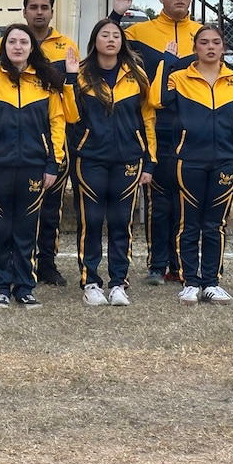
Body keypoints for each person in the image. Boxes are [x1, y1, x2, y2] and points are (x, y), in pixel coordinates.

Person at [0, 0, 78, 287]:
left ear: (51, 11)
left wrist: (54, 159)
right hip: (2, 159)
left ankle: (43, 267)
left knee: (46, 215)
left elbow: (65, 116)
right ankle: (3, 280)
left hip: (42, 155)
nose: (38, 11)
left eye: (44, 7)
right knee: (3, 223)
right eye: (32, 6)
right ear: (24, 11)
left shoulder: (65, 48)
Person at [0, 25, 65, 310]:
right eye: (12, 41)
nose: (18, 46)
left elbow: (57, 123)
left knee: (26, 229)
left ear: (32, 47)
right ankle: (0, 287)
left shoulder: (46, 81)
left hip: (35, 165)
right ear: (3, 46)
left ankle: (24, 287)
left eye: (24, 41)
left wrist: (53, 163)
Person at [158, 25, 233, 305]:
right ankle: (190, 281)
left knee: (215, 224)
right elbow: (157, 99)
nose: (210, 47)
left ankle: (212, 282)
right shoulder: (179, 78)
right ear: (195, 48)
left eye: (216, 42)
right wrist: (166, 62)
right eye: (204, 42)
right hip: (188, 161)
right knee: (189, 223)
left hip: (226, 161)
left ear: (223, 47)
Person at [112, 0, 201, 286]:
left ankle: (182, 265)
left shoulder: (202, 35)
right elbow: (104, 47)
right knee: (159, 201)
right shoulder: (139, 33)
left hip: (193, 130)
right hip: (156, 127)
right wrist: (116, 14)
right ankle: (156, 264)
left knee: (187, 200)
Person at [63, 19, 156, 307]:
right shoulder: (80, 75)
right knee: (90, 220)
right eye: (105, 35)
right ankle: (90, 282)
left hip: (128, 159)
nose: (111, 39)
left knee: (121, 222)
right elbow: (69, 115)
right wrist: (67, 79)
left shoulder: (137, 75)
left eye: (116, 35)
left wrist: (149, 161)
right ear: (95, 41)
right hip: (89, 158)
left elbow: (148, 118)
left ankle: (118, 283)